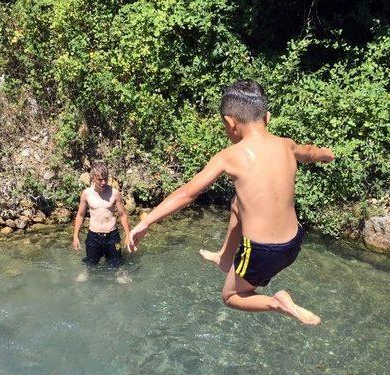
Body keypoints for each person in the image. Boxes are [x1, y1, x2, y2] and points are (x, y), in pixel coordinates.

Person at [129, 79, 334, 325]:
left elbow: (187, 194)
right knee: (238, 203)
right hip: (294, 242)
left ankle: (277, 302)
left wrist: (146, 223)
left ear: (230, 122)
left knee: (231, 296)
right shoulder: (286, 145)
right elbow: (311, 152)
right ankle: (225, 257)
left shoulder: (229, 156)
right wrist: (326, 154)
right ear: (267, 117)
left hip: (262, 252)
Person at [73, 162, 131, 268]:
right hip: (93, 236)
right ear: (93, 177)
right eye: (100, 179)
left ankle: (120, 274)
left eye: (105, 178)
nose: (103, 182)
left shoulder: (114, 193)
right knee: (90, 265)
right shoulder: (86, 194)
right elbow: (80, 215)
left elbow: (123, 215)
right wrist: (75, 236)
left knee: (116, 264)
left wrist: (128, 235)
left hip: (112, 236)